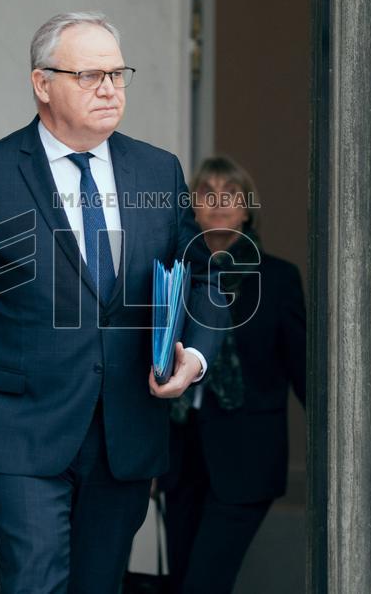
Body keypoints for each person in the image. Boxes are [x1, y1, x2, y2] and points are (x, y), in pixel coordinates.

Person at [0, 12, 230, 594]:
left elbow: (205, 278)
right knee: (35, 581)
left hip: (125, 428)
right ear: (42, 84)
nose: (109, 89)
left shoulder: (158, 170)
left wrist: (194, 358)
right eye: (90, 75)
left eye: (118, 74)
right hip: (19, 427)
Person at [157, 156, 307, 594]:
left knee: (204, 584)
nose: (218, 202)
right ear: (192, 208)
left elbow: (301, 367)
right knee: (185, 579)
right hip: (179, 456)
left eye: (231, 194)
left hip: (247, 457)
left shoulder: (277, 279)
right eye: (207, 193)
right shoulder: (173, 276)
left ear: (246, 210)